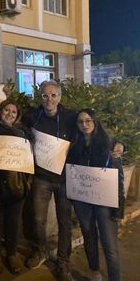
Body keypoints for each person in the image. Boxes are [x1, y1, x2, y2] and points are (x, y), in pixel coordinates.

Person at [22, 80, 76, 280]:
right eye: (45, 95)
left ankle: (63, 262)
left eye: (54, 95)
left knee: (65, 222)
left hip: (64, 179)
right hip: (41, 178)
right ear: (40, 97)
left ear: (60, 97)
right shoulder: (32, 116)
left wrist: (116, 144)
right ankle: (41, 250)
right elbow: (13, 124)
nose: (49, 99)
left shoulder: (71, 117)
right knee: (38, 219)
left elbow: (92, 129)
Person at [67, 109, 124, 281]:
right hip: (83, 199)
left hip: (105, 202)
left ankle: (114, 278)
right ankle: (95, 272)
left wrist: (119, 208)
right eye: (80, 122)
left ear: (95, 121)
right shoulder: (73, 145)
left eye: (88, 121)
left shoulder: (109, 145)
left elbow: (119, 177)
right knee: (89, 238)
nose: (84, 125)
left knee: (109, 244)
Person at [0, 99, 33, 275]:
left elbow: (29, 158)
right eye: (7, 110)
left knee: (14, 221)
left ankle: (12, 254)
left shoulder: (24, 133)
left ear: (18, 116)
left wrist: (28, 180)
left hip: (17, 183)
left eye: (14, 112)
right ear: (0, 111)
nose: (10, 114)